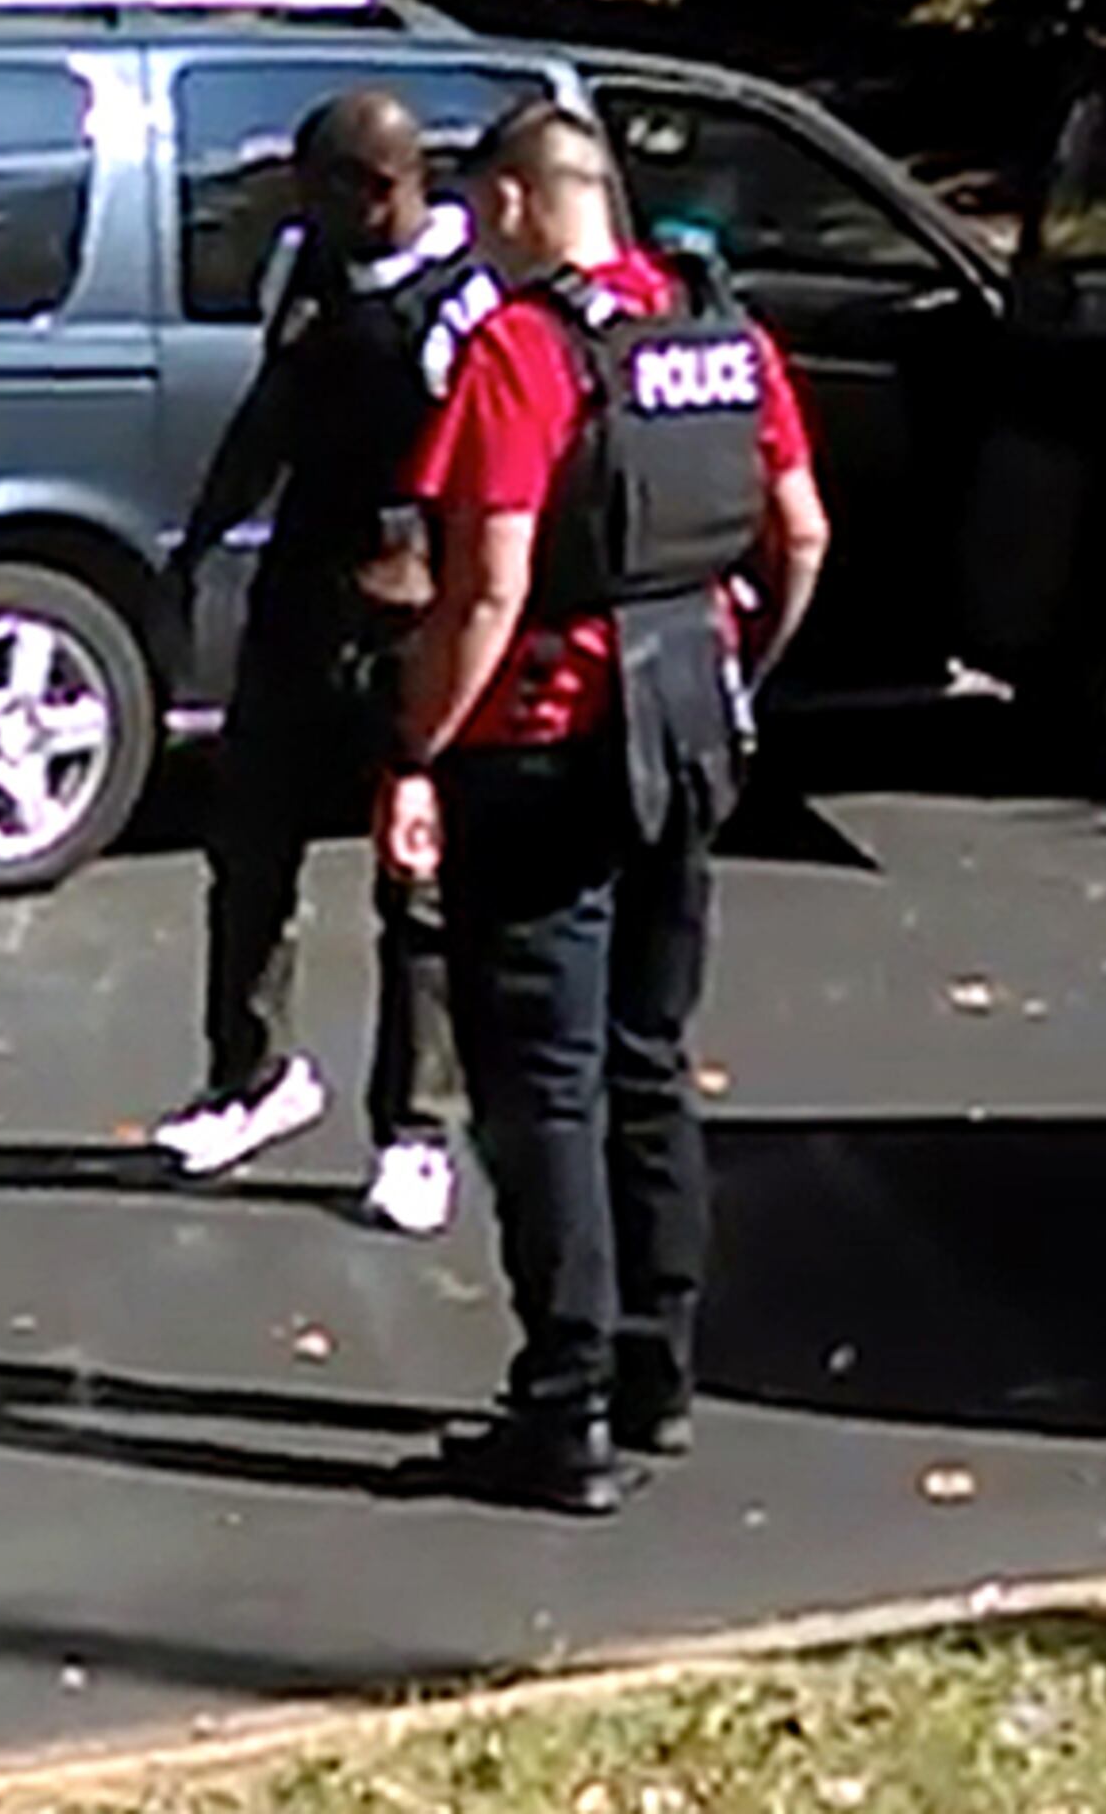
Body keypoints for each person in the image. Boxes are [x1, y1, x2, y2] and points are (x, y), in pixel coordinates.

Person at [378, 101, 830, 1513]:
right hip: (688, 728)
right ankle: (657, 1373)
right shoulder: (720, 334)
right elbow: (803, 532)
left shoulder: (523, 352)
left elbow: (489, 587)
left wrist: (414, 751)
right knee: (650, 1056)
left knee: (544, 1084)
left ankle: (560, 1410)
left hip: (545, 748)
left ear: (518, 202)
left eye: (479, 208)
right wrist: (736, 665)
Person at [155, 91, 503, 1235]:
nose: (297, 211)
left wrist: (444, 583)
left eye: (317, 190)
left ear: (379, 190)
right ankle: (251, 1076)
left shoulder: (467, 303)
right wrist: (199, 543)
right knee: (249, 844)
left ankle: (416, 1129)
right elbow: (272, 414)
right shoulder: (311, 267)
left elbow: (496, 477)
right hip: (301, 592)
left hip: (409, 617)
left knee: (416, 876)